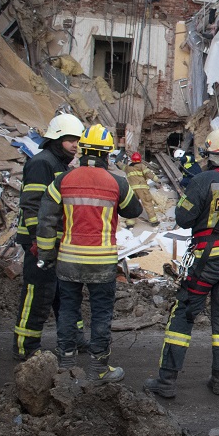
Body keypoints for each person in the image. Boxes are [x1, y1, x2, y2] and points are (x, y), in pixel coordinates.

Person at [143, 128, 219, 398]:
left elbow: (183, 218)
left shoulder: (202, 180)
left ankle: (167, 381)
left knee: (183, 315)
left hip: (206, 260)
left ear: (209, 154)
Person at [35, 124, 142, 383]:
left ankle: (66, 365)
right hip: (102, 263)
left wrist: (47, 256)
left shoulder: (62, 180)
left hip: (69, 260)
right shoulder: (117, 182)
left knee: (68, 311)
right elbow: (134, 211)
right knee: (101, 313)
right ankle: (99, 369)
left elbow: (45, 220)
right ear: (107, 154)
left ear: (81, 151)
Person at [13, 113, 88, 360]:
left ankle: (74, 338)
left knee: (62, 292)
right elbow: (33, 204)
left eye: (77, 140)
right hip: (39, 243)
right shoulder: (42, 163)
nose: (75, 145)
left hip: (53, 241)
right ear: (56, 139)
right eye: (70, 140)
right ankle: (26, 347)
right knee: (38, 293)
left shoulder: (59, 165)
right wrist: (37, 241)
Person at [123, 152, 160, 225]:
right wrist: (157, 180)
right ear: (140, 159)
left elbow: (121, 166)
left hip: (132, 190)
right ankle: (154, 221)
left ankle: (130, 222)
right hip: (142, 189)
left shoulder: (127, 168)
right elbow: (149, 174)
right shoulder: (142, 166)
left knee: (132, 205)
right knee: (147, 203)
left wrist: (118, 160)